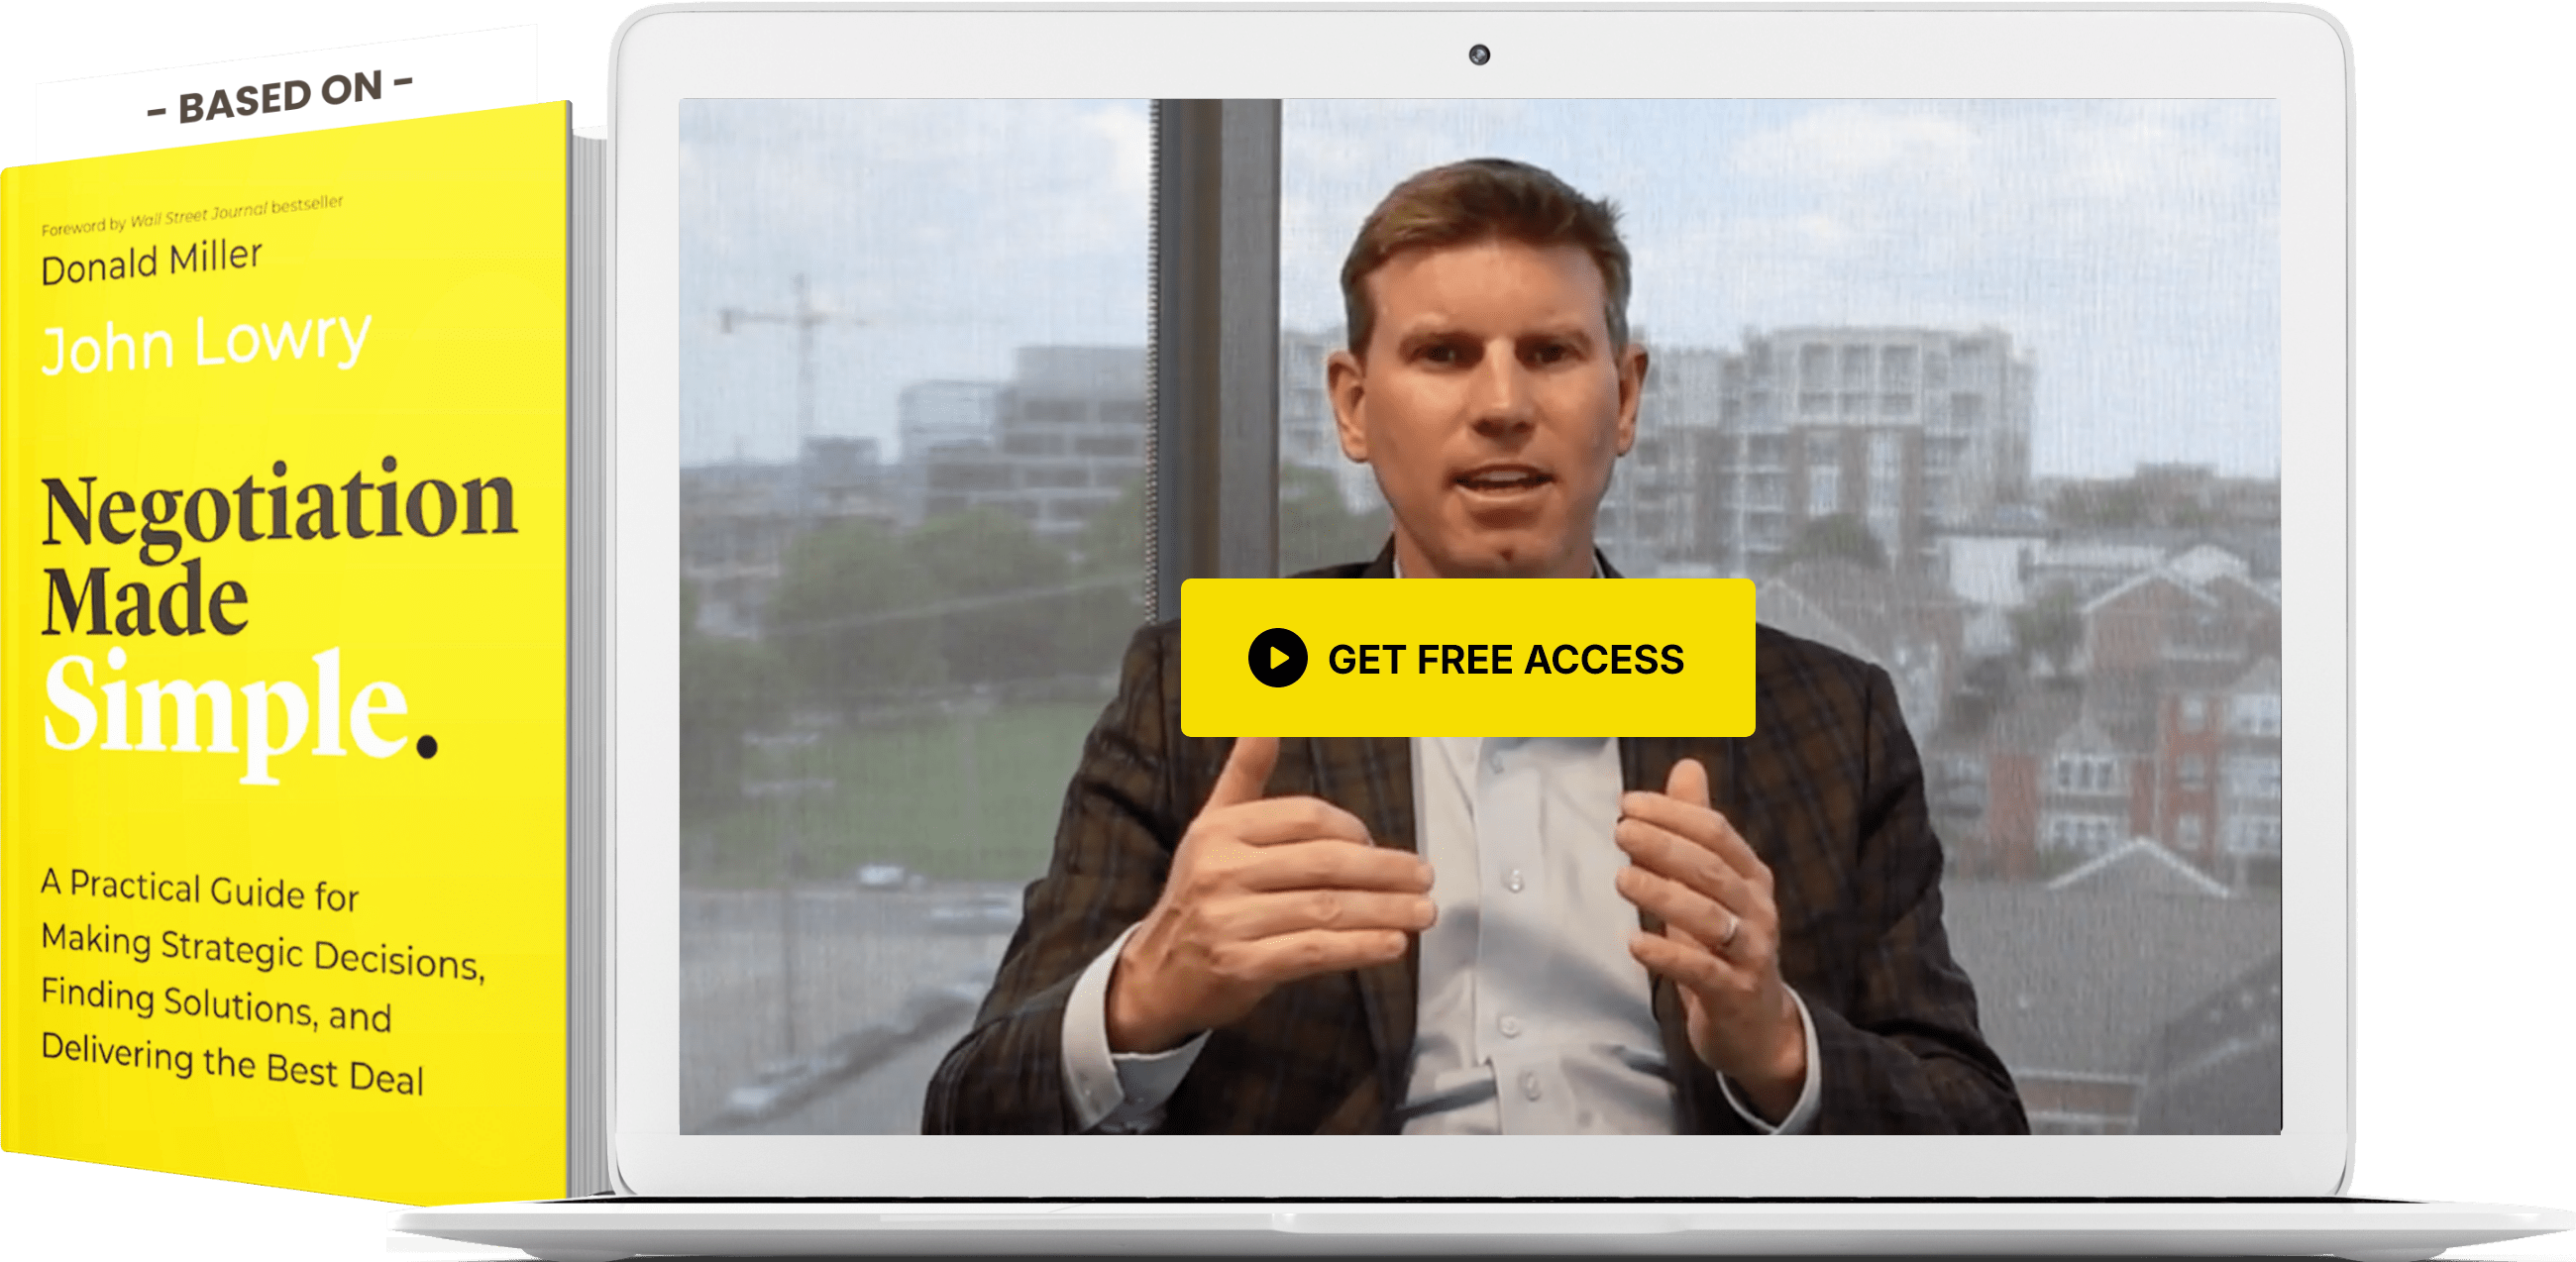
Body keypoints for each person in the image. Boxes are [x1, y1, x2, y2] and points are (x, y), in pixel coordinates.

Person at [922, 158, 2025, 1135]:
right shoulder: (1198, 687)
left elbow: (1977, 1132)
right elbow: (971, 1117)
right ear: (1353, 407)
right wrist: (1149, 989)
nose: (1502, 405)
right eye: (1443, 354)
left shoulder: (1828, 716)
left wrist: (1778, 1044)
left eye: (1549, 352)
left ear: (1625, 397)